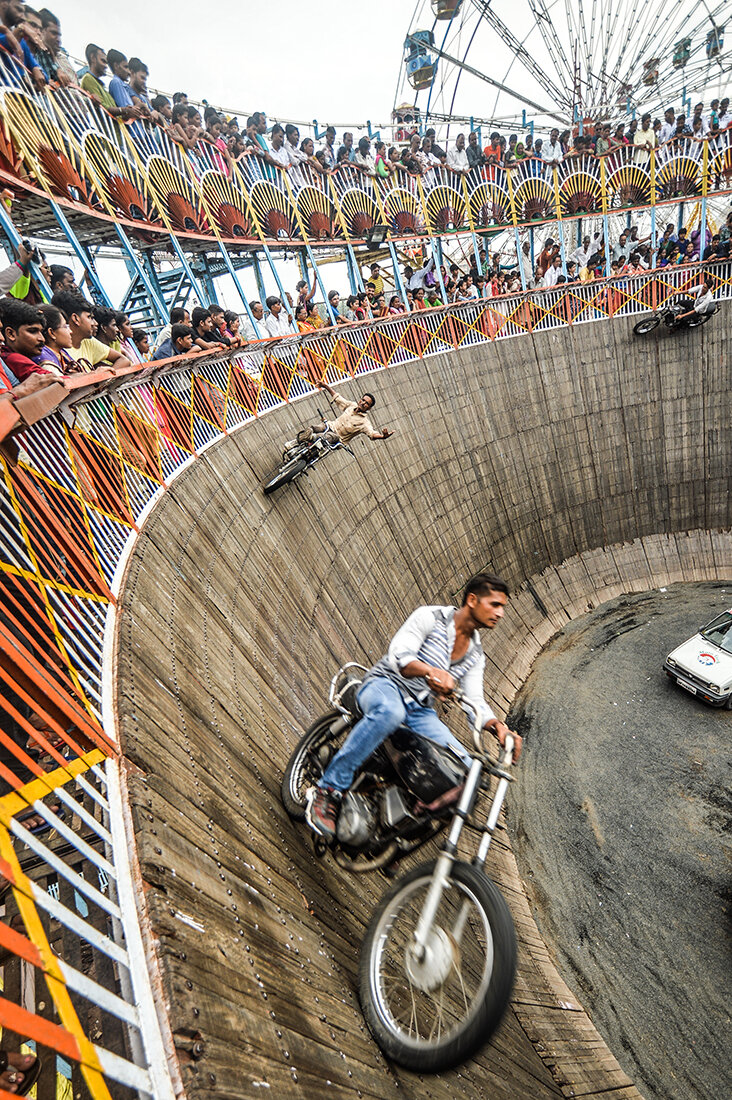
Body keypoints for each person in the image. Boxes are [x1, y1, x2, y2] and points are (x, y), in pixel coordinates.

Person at [306, 573, 522, 839]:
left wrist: (499, 728)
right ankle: (329, 790)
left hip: (420, 711)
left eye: (503, 607)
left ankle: (398, 833)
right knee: (391, 712)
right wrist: (430, 672)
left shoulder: (476, 655)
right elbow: (400, 655)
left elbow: (475, 701)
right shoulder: (431, 618)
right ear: (473, 600)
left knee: (467, 773)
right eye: (495, 604)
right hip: (386, 685)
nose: (500, 613)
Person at [287, 379, 392, 450]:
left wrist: (383, 437)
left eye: (366, 403)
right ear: (360, 400)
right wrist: (325, 386)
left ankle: (311, 441)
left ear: (369, 408)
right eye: (363, 400)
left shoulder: (364, 423)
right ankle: (294, 443)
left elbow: (372, 433)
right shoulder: (351, 405)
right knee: (312, 428)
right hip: (329, 426)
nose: (363, 403)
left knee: (319, 437)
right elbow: (338, 398)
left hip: (337, 438)